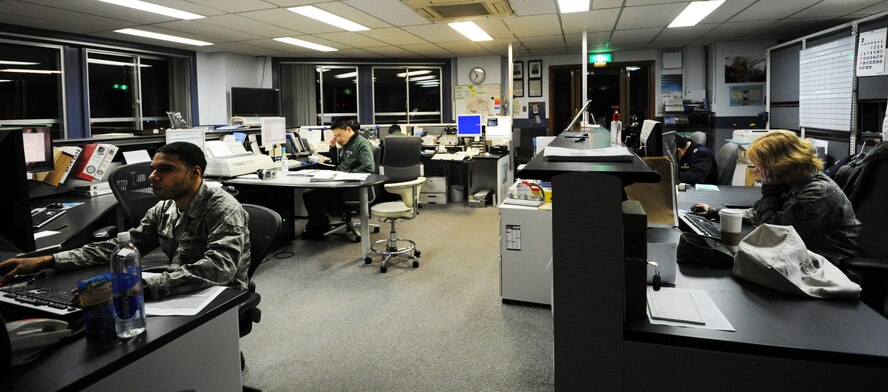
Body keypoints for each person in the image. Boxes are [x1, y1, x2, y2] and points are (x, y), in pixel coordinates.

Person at [0, 142, 252, 300]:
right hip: (181, 284)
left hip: (221, 292)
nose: (152, 177)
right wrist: (50, 260)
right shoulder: (164, 208)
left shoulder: (223, 209)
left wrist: (138, 284)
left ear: (195, 173)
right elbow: (121, 248)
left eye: (165, 169)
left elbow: (219, 269)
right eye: (153, 169)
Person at [691, 131, 862, 265]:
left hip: (829, 268)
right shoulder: (792, 181)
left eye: (760, 165)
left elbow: (774, 233)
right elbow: (759, 215)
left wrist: (770, 189)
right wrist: (716, 212)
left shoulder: (817, 192)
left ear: (781, 163)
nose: (756, 171)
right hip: (799, 260)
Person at [301, 118, 376, 240]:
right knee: (310, 192)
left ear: (349, 129)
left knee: (311, 195)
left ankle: (318, 228)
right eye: (336, 136)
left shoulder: (361, 144)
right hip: (341, 181)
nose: (339, 138)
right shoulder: (347, 144)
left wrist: (348, 173)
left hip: (350, 186)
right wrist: (333, 148)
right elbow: (339, 164)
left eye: (339, 135)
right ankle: (319, 225)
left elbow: (369, 167)